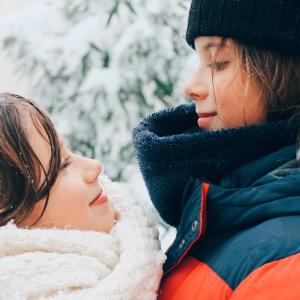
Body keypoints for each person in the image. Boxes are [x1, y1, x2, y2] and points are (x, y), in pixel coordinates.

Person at [132, 0, 300, 299]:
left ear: (283, 71)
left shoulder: (285, 264)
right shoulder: (222, 210)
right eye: (199, 62)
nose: (191, 86)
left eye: (218, 63)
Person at [0, 93, 165, 300]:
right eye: (61, 165)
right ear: (7, 213)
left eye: (69, 154)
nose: (94, 167)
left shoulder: (148, 262)